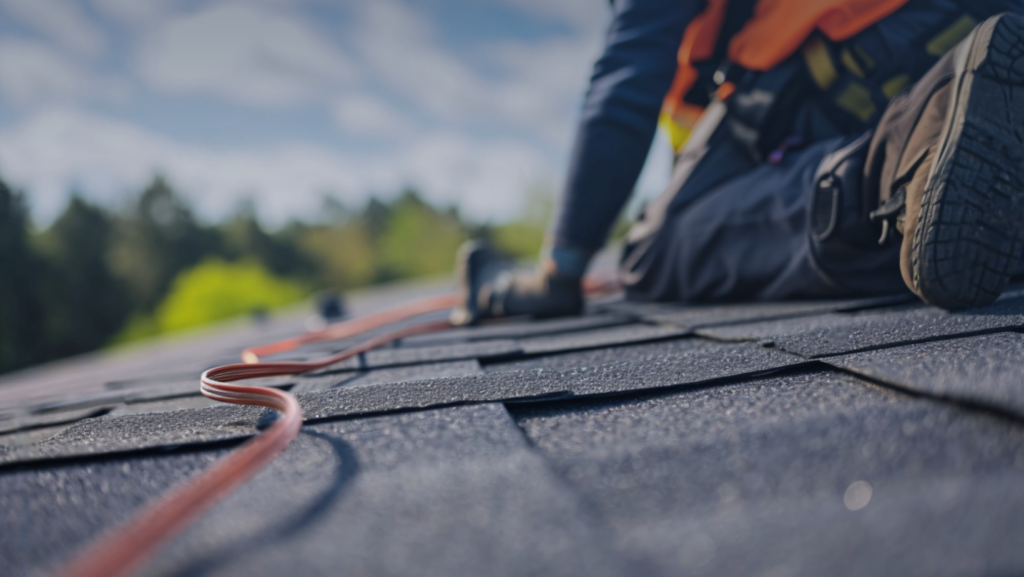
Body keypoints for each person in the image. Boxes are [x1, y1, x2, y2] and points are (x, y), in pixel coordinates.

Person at [453, 0, 1024, 325]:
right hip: (970, 24)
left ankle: (904, 165)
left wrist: (561, 266)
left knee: (654, 253)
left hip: (864, 44)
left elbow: (628, 78)